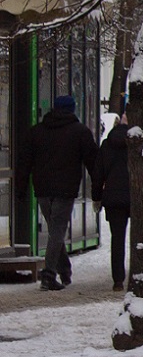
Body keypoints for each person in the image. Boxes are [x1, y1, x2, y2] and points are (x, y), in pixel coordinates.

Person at [15, 94, 98, 291]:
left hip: (42, 189)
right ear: (72, 109)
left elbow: (24, 162)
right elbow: (93, 162)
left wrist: (21, 189)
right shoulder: (80, 132)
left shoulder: (36, 132)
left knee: (55, 231)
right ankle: (49, 275)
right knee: (57, 231)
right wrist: (98, 187)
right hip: (66, 190)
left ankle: (65, 270)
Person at [91, 113, 131, 290]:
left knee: (118, 239)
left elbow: (98, 174)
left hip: (113, 197)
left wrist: (97, 197)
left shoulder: (107, 145)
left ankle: (118, 279)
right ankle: (140, 275)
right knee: (140, 238)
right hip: (136, 197)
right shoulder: (138, 143)